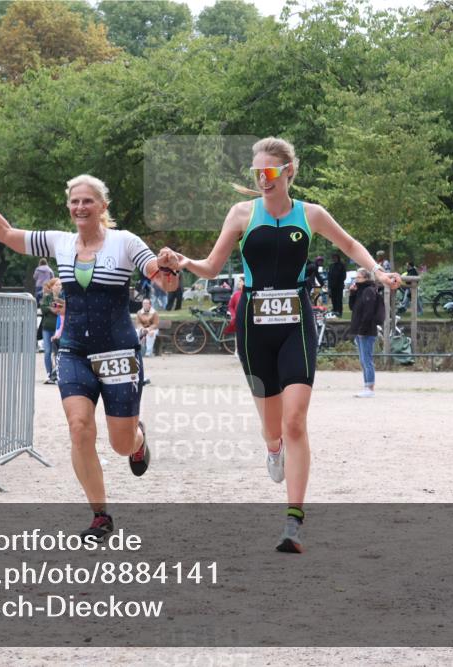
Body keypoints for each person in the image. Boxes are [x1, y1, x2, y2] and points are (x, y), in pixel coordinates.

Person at [163, 137, 400, 553]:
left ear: (289, 171)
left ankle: (293, 521)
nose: (262, 179)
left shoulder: (311, 214)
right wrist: (185, 262)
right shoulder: (241, 214)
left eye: (270, 172)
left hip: (297, 323)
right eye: (256, 172)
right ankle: (272, 449)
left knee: (295, 421)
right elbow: (212, 266)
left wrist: (378, 272)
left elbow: (348, 244)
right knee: (273, 430)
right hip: (255, 329)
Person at [0, 155, 179, 541]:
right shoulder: (59, 243)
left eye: (87, 200)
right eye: (74, 201)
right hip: (74, 349)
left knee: (120, 443)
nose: (79, 207)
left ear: (102, 206)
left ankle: (138, 440)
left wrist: (169, 266)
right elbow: (7, 233)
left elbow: (165, 283)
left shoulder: (125, 242)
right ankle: (100, 515)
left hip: (118, 352)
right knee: (79, 428)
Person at [348, 268, 384, 398]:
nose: (356, 280)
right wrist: (352, 293)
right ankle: (366, 386)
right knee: (363, 360)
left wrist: (362, 330)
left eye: (359, 278)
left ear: (366, 278)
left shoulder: (369, 291)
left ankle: (370, 387)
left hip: (367, 331)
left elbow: (368, 313)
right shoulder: (360, 291)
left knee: (367, 359)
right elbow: (353, 308)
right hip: (359, 329)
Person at [39, 277, 62, 384]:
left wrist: (53, 307)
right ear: (52, 287)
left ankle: (57, 373)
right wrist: (56, 307)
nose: (59, 287)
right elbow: (43, 308)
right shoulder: (47, 297)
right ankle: (49, 373)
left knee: (58, 352)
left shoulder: (62, 296)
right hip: (47, 328)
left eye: (60, 285)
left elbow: (63, 308)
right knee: (47, 351)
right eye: (57, 285)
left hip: (58, 328)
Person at [327, 252, 346, 318]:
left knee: (339, 299)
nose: (334, 259)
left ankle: (339, 311)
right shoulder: (331, 266)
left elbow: (344, 276)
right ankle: (334, 310)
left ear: (338, 258)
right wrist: (329, 286)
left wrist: (340, 282)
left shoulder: (341, 265)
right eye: (333, 258)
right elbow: (329, 276)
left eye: (335, 257)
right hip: (332, 286)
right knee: (333, 299)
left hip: (339, 285)